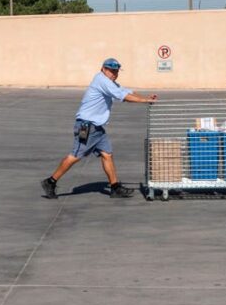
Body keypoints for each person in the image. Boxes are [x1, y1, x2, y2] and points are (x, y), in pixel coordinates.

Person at [41, 58, 158, 199]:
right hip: (86, 126)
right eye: (111, 70)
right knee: (75, 156)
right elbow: (123, 96)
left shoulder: (109, 82)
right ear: (103, 69)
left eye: (116, 71)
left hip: (97, 128)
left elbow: (126, 91)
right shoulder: (102, 81)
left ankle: (115, 188)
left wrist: (146, 97)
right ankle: (50, 182)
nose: (114, 73)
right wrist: (145, 101)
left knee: (107, 154)